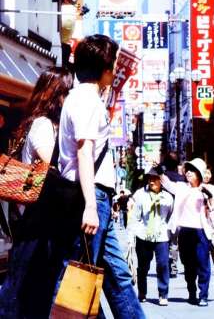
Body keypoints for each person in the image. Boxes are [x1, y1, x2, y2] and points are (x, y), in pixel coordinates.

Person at [58, 34, 145, 318]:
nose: (117, 68)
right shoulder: (86, 100)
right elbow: (84, 152)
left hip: (96, 195)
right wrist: (92, 207)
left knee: (115, 275)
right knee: (80, 276)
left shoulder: (85, 97)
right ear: (104, 67)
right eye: (114, 63)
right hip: (91, 195)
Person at [0, 67, 74, 318]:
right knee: (20, 288)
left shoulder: (49, 124)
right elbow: (51, 163)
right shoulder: (43, 125)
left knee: (32, 288)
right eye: (67, 92)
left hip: (43, 219)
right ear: (56, 94)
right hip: (35, 219)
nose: (70, 99)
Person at [160, 158, 214, 307]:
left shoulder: (207, 190)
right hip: (184, 230)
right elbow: (166, 182)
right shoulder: (182, 187)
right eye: (187, 170)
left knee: (203, 264)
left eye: (192, 170)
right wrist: (158, 168)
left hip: (201, 231)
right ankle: (192, 292)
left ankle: (203, 295)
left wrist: (209, 198)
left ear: (199, 174)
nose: (188, 172)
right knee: (188, 264)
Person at [127, 168, 174, 306]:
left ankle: (163, 294)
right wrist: (131, 238)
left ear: (161, 180)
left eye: (155, 178)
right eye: (150, 178)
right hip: (144, 235)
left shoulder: (168, 197)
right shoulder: (140, 195)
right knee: (143, 267)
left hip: (162, 236)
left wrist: (173, 236)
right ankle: (142, 292)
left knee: (163, 265)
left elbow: (171, 217)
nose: (152, 181)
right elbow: (134, 217)